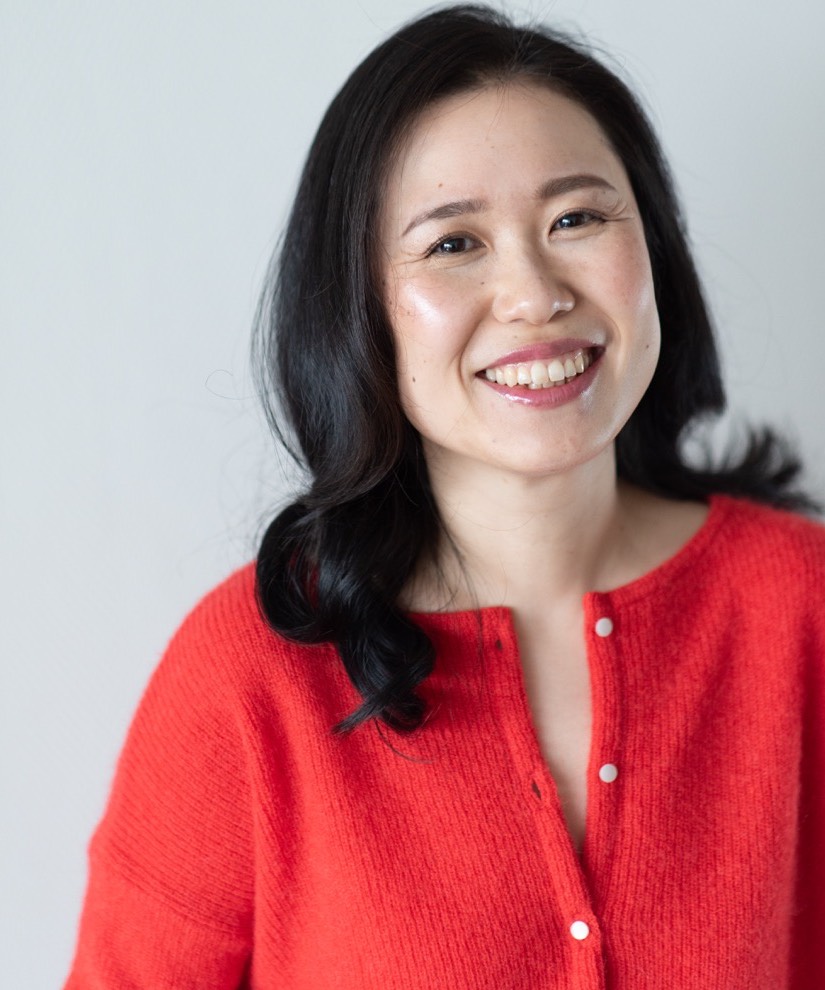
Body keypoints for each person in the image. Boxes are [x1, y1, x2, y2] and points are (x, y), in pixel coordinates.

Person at [65, 5, 825, 988]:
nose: (534, 295)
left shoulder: (800, 605)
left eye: (576, 219)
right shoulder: (249, 675)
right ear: (359, 310)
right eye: (454, 243)